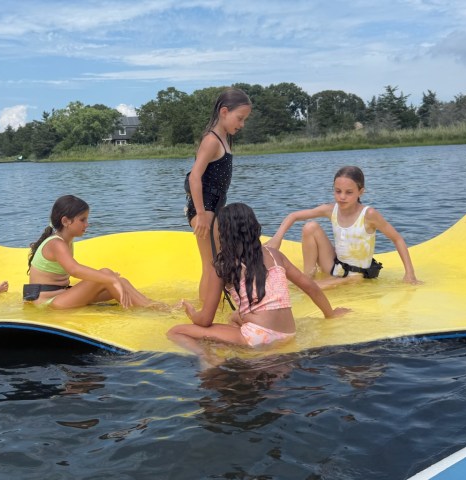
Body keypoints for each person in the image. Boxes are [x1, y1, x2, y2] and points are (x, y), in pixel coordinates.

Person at [168, 203, 349, 359]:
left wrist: (193, 314)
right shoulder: (274, 254)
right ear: (253, 227)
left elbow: (206, 320)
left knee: (176, 331)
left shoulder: (224, 264)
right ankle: (228, 344)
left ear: (223, 233)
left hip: (259, 337)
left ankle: (207, 357)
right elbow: (310, 286)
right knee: (234, 317)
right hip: (288, 333)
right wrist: (330, 314)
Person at [266, 165, 421, 287]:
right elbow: (293, 216)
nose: (342, 197)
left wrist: (410, 273)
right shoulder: (331, 209)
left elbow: (398, 239)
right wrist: (277, 238)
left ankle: (317, 283)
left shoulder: (369, 215)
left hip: (356, 276)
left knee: (311, 288)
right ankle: (308, 275)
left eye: (349, 192)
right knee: (310, 227)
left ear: (361, 192)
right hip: (336, 266)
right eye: (338, 191)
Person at [25, 194, 161, 309]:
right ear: (66, 221)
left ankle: (153, 306)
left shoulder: (66, 241)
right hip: (48, 303)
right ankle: (152, 310)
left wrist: (112, 280)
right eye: (82, 220)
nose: (87, 224)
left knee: (121, 282)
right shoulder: (56, 243)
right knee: (108, 275)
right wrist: (109, 277)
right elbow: (75, 270)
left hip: (62, 295)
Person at [184, 87, 252, 304]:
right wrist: (202, 214)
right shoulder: (211, 140)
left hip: (215, 209)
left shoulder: (224, 139)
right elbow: (195, 177)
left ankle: (214, 307)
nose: (242, 124)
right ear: (224, 112)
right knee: (211, 264)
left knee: (218, 262)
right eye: (239, 118)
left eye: (244, 120)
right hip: (204, 210)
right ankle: (205, 314)